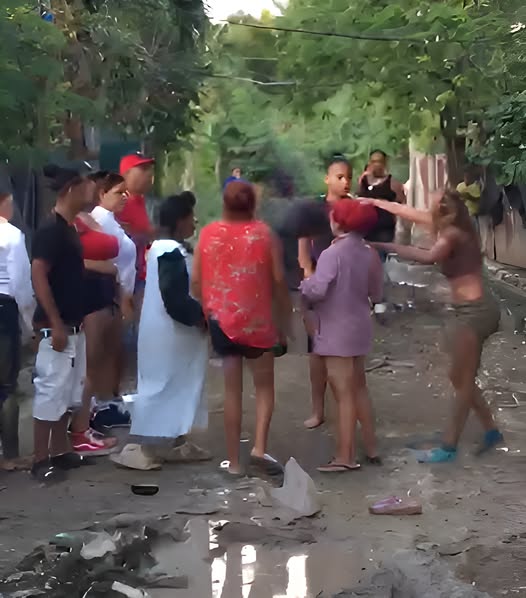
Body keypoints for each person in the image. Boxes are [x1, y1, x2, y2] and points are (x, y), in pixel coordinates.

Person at [372, 190, 503, 463]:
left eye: (446, 201)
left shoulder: (453, 233)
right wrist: (373, 202)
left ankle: (449, 446)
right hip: (466, 310)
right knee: (458, 377)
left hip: (476, 312)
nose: (441, 204)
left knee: (463, 381)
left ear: (457, 209)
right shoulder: (443, 225)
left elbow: (428, 257)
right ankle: (491, 430)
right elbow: (408, 212)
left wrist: (385, 246)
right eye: (438, 201)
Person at [192, 181, 292, 476]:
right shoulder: (264, 234)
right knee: (264, 388)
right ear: (252, 205)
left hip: (222, 323)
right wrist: (284, 319)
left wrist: (208, 309)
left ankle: (234, 462)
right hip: (258, 324)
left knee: (231, 392)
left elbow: (196, 280)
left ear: (224, 203)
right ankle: (259, 448)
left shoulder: (208, 234)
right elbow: (277, 280)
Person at [112, 192, 210, 470]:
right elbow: (173, 296)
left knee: (178, 386)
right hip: (169, 334)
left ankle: (177, 442)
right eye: (191, 217)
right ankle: (137, 447)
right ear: (180, 221)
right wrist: (199, 317)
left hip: (176, 336)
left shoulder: (170, 248)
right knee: (159, 389)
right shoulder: (167, 251)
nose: (195, 221)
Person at [300, 199, 383, 471]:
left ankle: (344, 457)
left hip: (335, 331)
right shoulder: (368, 252)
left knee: (342, 393)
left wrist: (306, 285)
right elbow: (377, 293)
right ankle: (371, 447)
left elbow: (318, 290)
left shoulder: (331, 254)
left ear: (340, 222)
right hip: (360, 326)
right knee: (359, 389)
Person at [31, 165, 96, 481]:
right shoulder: (51, 231)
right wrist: (54, 322)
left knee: (69, 391)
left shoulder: (69, 228)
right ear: (71, 189)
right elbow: (38, 274)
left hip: (75, 324)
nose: (91, 191)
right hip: (57, 326)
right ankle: (40, 458)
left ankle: (61, 451)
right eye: (85, 186)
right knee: (50, 390)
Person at [68, 173, 128, 454]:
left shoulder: (91, 220)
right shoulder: (75, 222)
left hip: (104, 294)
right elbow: (69, 258)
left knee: (98, 362)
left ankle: (87, 420)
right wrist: (106, 268)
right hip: (88, 296)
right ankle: (78, 431)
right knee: (88, 366)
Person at [298, 155, 352, 430]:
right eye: (339, 176)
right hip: (318, 286)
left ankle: (346, 408)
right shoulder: (314, 209)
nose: (345, 182)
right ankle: (318, 410)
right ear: (327, 178)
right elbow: (303, 243)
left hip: (345, 289)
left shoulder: (354, 209)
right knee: (317, 351)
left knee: (345, 352)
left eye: (348, 177)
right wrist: (308, 274)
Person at [0, 190, 34, 471]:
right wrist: (29, 321)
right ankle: (9, 454)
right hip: (3, 309)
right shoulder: (11, 235)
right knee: (7, 386)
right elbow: (21, 283)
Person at [118, 153, 155, 317]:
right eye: (142, 169)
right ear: (126, 174)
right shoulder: (120, 203)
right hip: (125, 280)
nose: (149, 174)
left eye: (149, 169)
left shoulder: (139, 201)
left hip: (141, 275)